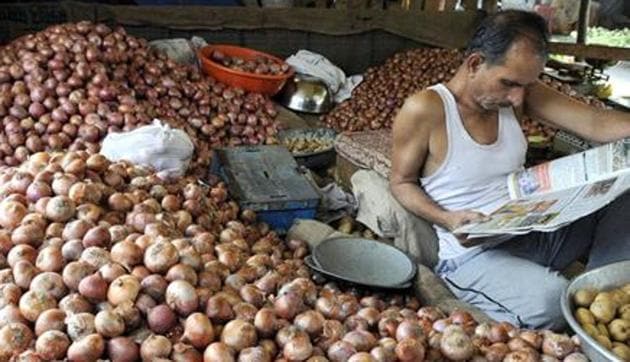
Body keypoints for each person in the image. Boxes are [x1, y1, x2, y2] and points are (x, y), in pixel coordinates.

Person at [389, 10, 630, 330]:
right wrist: (447, 218)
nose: (517, 97)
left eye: (525, 85)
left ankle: (604, 299)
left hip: (533, 229)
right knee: (554, 302)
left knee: (624, 194)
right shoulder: (426, 109)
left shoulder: (518, 93)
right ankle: (552, 302)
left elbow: (594, 123)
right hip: (472, 254)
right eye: (509, 84)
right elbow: (401, 182)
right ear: (475, 64)